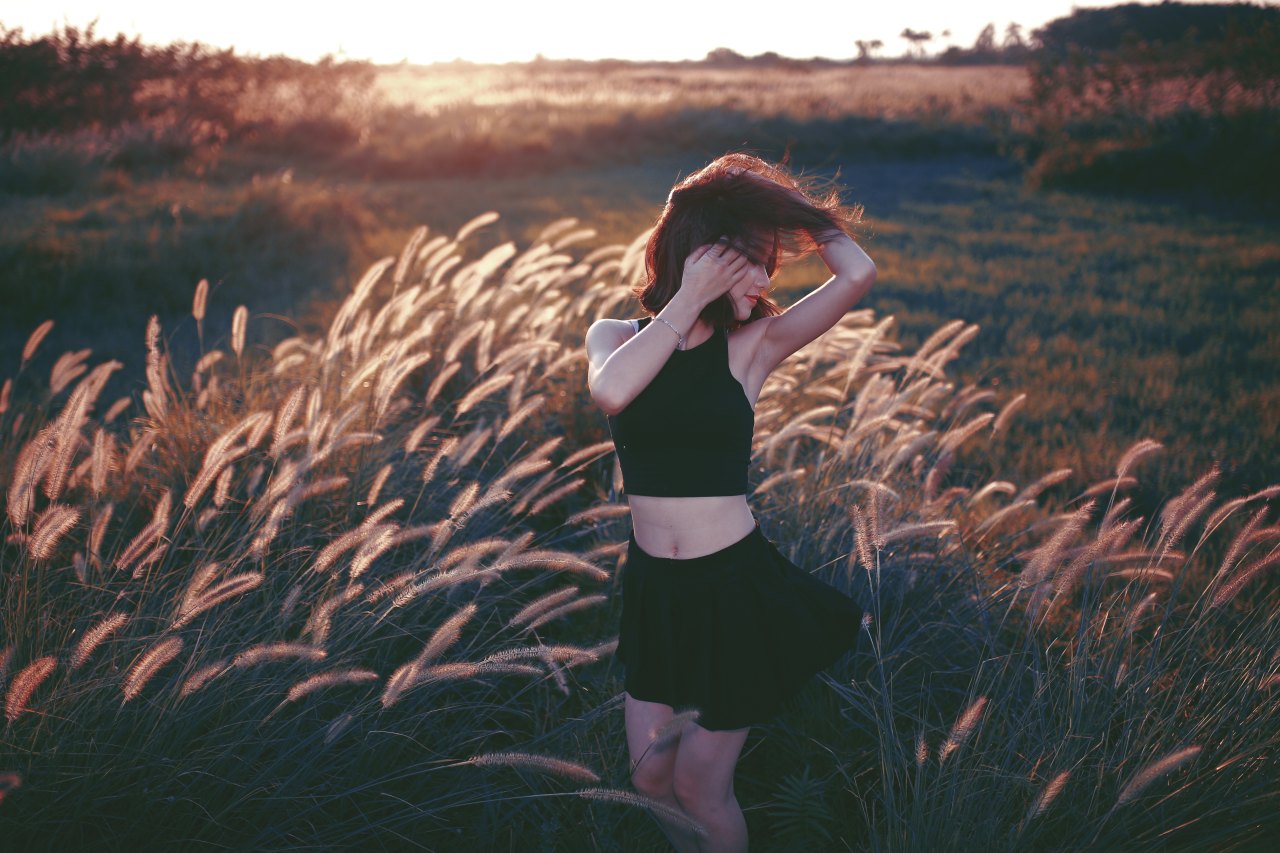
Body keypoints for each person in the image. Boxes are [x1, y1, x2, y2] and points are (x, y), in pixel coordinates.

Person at [585, 152, 877, 852]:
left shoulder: (752, 347)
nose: (767, 277)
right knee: (650, 775)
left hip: (734, 590)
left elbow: (858, 272)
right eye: (750, 260)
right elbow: (612, 392)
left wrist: (781, 200)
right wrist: (686, 299)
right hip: (656, 589)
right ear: (700, 260)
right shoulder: (614, 337)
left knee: (699, 787)